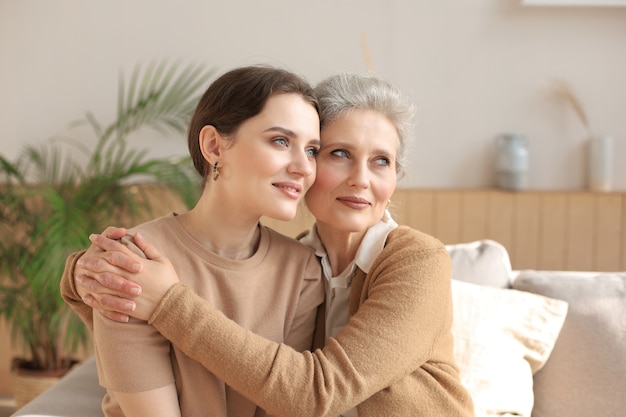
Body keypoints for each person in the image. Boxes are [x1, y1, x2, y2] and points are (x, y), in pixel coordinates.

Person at [63, 73, 475, 417]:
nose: (362, 179)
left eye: (381, 161)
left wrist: (169, 302)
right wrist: (83, 274)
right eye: (337, 153)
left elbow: (312, 392)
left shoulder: (414, 260)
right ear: (213, 146)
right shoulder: (304, 263)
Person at [64, 65, 326, 417]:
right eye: (281, 141)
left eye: (311, 150)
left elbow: (287, 402)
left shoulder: (302, 270)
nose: (304, 167)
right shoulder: (129, 261)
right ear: (214, 145)